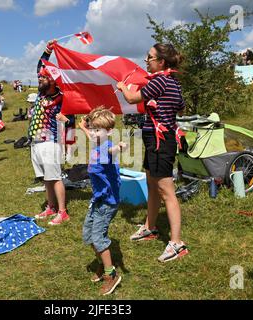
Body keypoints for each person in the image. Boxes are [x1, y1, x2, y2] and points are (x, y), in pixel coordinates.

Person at [117, 43, 189, 262]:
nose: (146, 61)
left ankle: (177, 243)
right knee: (151, 184)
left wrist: (122, 86)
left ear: (162, 62)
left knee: (166, 190)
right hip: (156, 138)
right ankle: (151, 226)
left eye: (149, 57)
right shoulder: (173, 82)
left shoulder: (159, 80)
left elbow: (131, 98)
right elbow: (181, 106)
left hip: (160, 141)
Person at [79, 106, 126, 296]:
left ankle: (111, 274)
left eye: (98, 129)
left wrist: (121, 147)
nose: (94, 133)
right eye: (93, 129)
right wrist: (84, 125)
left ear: (110, 132)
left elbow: (113, 151)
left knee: (98, 237)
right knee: (88, 235)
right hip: (97, 199)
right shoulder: (97, 141)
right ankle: (102, 263)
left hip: (107, 202)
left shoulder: (107, 148)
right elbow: (90, 134)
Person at [29, 40, 69, 225]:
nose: (39, 79)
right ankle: (51, 207)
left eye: (43, 78)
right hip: (36, 142)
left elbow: (69, 118)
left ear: (52, 80)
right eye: (39, 77)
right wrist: (47, 50)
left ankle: (62, 211)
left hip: (50, 141)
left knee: (55, 177)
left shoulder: (60, 97)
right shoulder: (41, 93)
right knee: (46, 178)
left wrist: (66, 121)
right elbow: (40, 65)